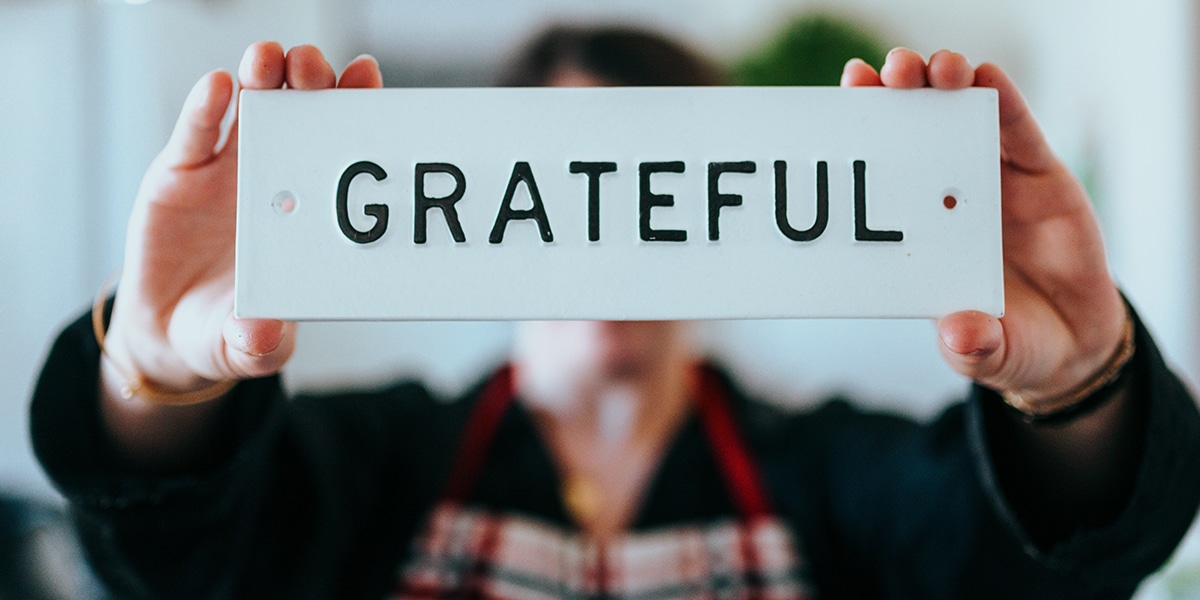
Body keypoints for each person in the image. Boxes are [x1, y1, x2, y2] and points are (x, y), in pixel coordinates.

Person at [30, 25, 1200, 599]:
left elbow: (1051, 566)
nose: (616, 240)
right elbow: (167, 557)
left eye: (662, 188)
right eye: (582, 179)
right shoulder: (372, 459)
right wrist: (157, 378)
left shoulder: (839, 476)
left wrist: (1078, 386)